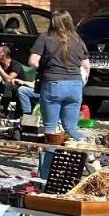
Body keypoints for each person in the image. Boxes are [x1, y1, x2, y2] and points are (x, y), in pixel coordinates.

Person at [29, 10, 90, 141]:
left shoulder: (45, 37)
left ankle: (47, 160)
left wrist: (44, 68)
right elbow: (87, 65)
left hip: (53, 84)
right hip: (75, 86)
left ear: (53, 22)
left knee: (50, 127)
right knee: (71, 127)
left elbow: (33, 61)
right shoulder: (77, 40)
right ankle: (87, 149)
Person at [0, 44, 35, 116]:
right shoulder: (0, 64)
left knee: (8, 85)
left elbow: (9, 80)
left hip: (17, 88)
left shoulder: (15, 65)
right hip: (4, 86)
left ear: (3, 55)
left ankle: (3, 108)